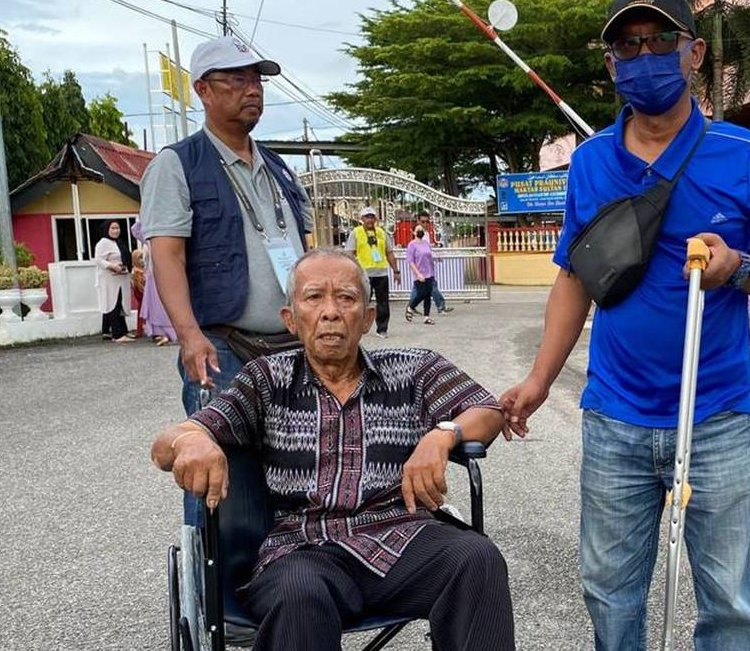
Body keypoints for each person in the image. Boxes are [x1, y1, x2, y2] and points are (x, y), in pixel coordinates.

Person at [498, 0, 750, 649]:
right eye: (627, 45)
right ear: (611, 66)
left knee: (728, 602)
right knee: (609, 592)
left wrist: (739, 266)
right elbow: (575, 280)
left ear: (693, 53)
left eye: (661, 41)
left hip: (714, 413)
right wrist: (539, 380)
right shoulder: (590, 164)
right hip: (615, 417)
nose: (645, 56)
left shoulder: (744, 155)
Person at [149, 249, 516, 651]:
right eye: (314, 298)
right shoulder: (267, 379)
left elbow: (489, 410)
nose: (331, 312)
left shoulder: (413, 369)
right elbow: (167, 445)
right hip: (303, 548)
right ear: (291, 319)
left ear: (368, 317)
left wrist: (443, 434)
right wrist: (193, 440)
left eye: (345, 298)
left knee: (476, 559)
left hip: (400, 540)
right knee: (300, 595)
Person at [140, 34, 313, 419]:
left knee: (292, 472)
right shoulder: (177, 164)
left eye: (256, 80)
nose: (252, 90)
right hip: (223, 350)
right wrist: (189, 337)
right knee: (224, 472)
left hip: (294, 346)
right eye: (236, 80)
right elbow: (167, 257)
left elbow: (307, 249)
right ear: (202, 89)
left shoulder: (279, 168)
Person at [344, 205, 400, 338]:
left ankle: (382, 328)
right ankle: (359, 326)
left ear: (375, 219)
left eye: (372, 217)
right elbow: (349, 253)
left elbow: (389, 253)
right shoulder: (356, 232)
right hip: (364, 274)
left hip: (381, 273)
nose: (369, 220)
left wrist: (396, 271)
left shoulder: (381, 233)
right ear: (362, 219)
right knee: (361, 301)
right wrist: (353, 270)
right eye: (367, 217)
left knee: (383, 302)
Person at [131, 221, 176, 346]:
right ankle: (161, 333)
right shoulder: (151, 240)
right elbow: (135, 229)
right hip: (153, 275)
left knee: (163, 305)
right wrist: (147, 214)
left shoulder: (169, 239)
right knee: (154, 306)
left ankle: (169, 333)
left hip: (165, 275)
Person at [94, 219, 134, 343]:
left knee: (120, 303)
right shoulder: (103, 243)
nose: (116, 231)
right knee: (113, 304)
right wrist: (112, 266)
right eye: (113, 228)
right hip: (110, 279)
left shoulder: (119, 242)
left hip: (121, 277)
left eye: (117, 228)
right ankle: (117, 334)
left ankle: (121, 331)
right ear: (107, 229)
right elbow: (99, 260)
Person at [409, 210, 453, 314]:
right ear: (418, 221)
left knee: (418, 287)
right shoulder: (416, 234)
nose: (425, 224)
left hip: (428, 265)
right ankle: (440, 306)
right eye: (422, 222)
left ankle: (411, 306)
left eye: (427, 222)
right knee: (431, 286)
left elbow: (427, 248)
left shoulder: (427, 234)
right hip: (419, 266)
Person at [405, 225, 436, 325]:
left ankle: (426, 317)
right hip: (419, 273)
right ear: (414, 232)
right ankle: (411, 307)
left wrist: (433, 271)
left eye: (422, 230)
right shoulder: (412, 245)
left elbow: (430, 257)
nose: (420, 231)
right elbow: (410, 261)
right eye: (418, 230)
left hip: (429, 273)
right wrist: (417, 274)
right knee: (422, 293)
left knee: (428, 295)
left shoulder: (426, 243)